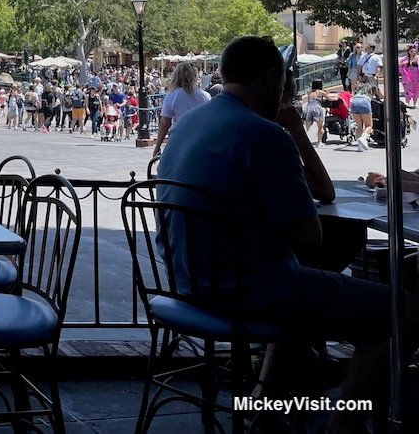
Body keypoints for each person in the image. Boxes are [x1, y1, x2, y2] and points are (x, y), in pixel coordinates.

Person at [159, 36, 414, 433]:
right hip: (245, 289)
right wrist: (291, 128)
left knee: (308, 284)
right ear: (270, 77)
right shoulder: (262, 135)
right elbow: (308, 237)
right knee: (401, 310)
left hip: (187, 281)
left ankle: (265, 404)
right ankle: (342, 426)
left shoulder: (190, 123)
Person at [151, 63, 210, 156]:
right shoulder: (205, 96)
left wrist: (157, 147)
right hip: (201, 141)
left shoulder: (172, 96)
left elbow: (164, 124)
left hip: (179, 141)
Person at [300, 79, 327, 145]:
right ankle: (318, 142)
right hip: (317, 109)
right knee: (320, 127)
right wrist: (336, 98)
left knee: (307, 127)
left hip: (308, 108)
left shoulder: (309, 92)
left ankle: (304, 141)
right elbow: (329, 98)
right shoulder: (321, 92)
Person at [350, 84, 374, 151]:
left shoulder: (358, 88)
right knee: (369, 125)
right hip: (364, 102)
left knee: (359, 126)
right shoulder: (371, 87)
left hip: (354, 102)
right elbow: (380, 95)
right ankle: (363, 138)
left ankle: (360, 147)